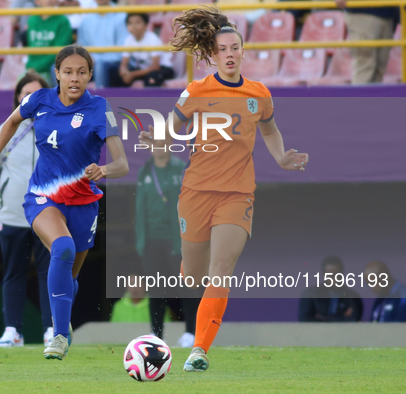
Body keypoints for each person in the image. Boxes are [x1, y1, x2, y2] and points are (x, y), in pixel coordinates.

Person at [138, 5, 309, 372]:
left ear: (243, 52)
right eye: (223, 49)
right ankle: (190, 278)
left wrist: (281, 157)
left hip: (237, 194)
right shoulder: (197, 90)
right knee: (194, 278)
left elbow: (269, 130)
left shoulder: (259, 94)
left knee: (221, 270)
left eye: (235, 48)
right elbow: (171, 128)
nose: (230, 54)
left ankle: (199, 350)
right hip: (196, 192)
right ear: (212, 54)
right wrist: (159, 139)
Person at [0, 44, 129, 360]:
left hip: (84, 204)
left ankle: (62, 316)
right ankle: (58, 335)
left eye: (82, 72)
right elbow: (11, 122)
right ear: (56, 74)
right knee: (63, 248)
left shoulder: (100, 108)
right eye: (68, 72)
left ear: (89, 76)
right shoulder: (39, 100)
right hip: (43, 197)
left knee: (69, 280)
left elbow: (122, 164)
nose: (75, 78)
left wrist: (103, 169)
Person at [0, 72, 55, 348]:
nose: (30, 99)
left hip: (48, 215)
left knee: (49, 273)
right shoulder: (5, 129)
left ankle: (52, 330)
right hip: (13, 215)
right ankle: (12, 331)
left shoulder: (56, 128)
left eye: (36, 94)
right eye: (25, 94)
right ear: (18, 98)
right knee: (13, 273)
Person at [135, 138, 199, 346]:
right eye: (155, 143)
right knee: (155, 289)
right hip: (151, 241)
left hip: (177, 239)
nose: (159, 147)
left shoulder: (181, 169)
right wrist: (140, 242)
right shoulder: (144, 171)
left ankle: (191, 332)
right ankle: (156, 335)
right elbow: (139, 209)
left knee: (186, 286)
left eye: (163, 142)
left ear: (170, 145)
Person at [334, 0, 398, 84]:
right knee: (365, 65)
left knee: (379, 67)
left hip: (388, 14)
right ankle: (360, 96)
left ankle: (370, 96)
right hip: (363, 13)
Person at [77, 0, 129, 88]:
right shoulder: (86, 19)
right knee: (59, 67)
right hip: (91, 63)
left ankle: (100, 101)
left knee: (100, 66)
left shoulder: (122, 16)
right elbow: (82, 46)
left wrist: (94, 59)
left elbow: (123, 51)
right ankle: (62, 101)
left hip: (114, 64)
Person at [298, 256, 363, 322]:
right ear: (324, 275)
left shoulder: (352, 296)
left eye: (337, 275)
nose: (334, 279)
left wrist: (321, 317)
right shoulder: (311, 294)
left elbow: (354, 320)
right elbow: (305, 320)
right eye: (330, 275)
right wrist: (341, 317)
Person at [26, 0, 73, 86]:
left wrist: (35, 68)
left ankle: (60, 98)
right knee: (21, 83)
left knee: (54, 70)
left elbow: (59, 53)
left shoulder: (63, 21)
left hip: (50, 67)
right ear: (37, 1)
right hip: (34, 67)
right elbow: (32, 50)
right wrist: (30, 67)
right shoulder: (32, 20)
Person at [119, 13, 174, 87]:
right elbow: (124, 64)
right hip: (144, 70)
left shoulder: (152, 39)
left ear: (146, 25)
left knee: (151, 78)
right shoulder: (128, 39)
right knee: (116, 76)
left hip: (162, 69)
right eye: (130, 23)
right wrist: (124, 72)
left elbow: (155, 66)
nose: (133, 26)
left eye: (137, 22)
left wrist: (132, 74)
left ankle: (152, 98)